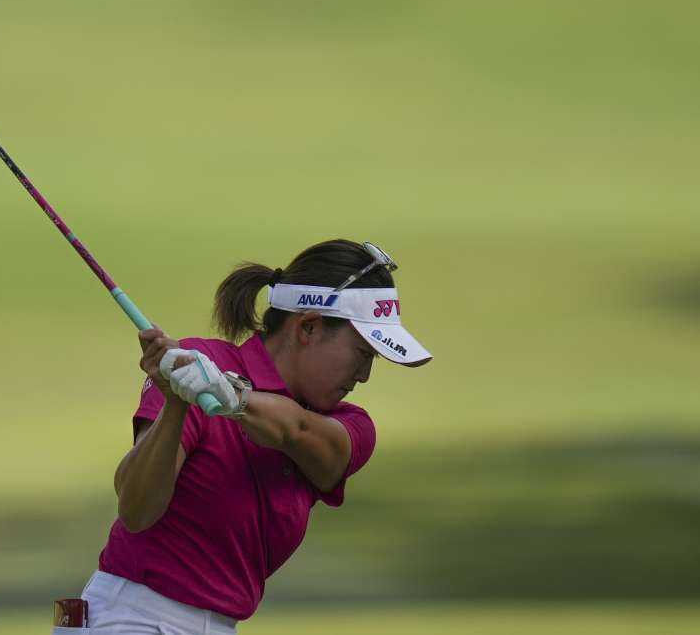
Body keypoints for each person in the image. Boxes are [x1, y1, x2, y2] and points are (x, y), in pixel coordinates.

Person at [56, 239, 431, 634]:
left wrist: (228, 394)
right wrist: (175, 404)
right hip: (129, 618)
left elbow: (294, 430)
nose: (364, 375)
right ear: (308, 327)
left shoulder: (350, 427)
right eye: (362, 353)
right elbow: (136, 511)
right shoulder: (198, 365)